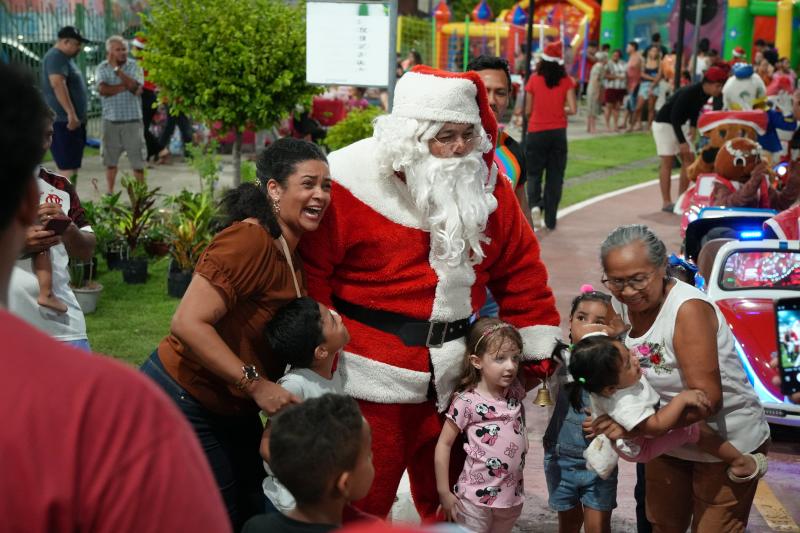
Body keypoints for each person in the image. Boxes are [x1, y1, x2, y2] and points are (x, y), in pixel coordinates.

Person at [298, 65, 562, 521]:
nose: (460, 148)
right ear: (409, 135)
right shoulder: (345, 179)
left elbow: (521, 270)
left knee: (461, 506)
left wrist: (533, 351)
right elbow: (313, 276)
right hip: (367, 374)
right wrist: (319, 362)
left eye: (467, 133)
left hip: (459, 375)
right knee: (359, 506)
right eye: (445, 135)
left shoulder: (486, 185)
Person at [0, 61, 231, 533]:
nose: (48, 140)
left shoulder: (60, 188)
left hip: (61, 330)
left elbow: (88, 246)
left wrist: (63, 234)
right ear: (25, 201)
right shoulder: (109, 412)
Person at [140, 138, 331, 530]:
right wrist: (258, 386)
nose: (320, 195)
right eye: (309, 183)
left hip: (233, 408)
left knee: (255, 509)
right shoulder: (250, 240)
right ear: (274, 189)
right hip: (185, 398)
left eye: (326, 186)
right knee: (217, 516)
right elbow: (187, 323)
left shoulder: (290, 251)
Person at [593, 224, 770, 532]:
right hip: (667, 443)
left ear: (663, 267)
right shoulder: (622, 302)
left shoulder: (687, 310)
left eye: (638, 279)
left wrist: (642, 426)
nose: (629, 291)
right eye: (617, 281)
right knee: (663, 524)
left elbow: (707, 401)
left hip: (726, 443)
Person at [570, 335, 767, 482]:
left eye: (629, 353)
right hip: (641, 447)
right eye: (628, 365)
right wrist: (680, 400)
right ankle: (740, 463)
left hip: (632, 438)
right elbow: (655, 427)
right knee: (695, 429)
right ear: (611, 388)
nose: (635, 360)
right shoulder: (626, 403)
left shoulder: (596, 378)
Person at [435, 318, 541, 533]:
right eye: (500, 358)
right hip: (475, 501)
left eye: (515, 358)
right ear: (476, 361)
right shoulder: (467, 402)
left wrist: (524, 437)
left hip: (511, 498)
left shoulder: (514, 392)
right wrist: (443, 492)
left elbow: (519, 409)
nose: (510, 366)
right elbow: (443, 445)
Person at [10, 110, 96, 350]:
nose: (42, 144)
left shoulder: (59, 186)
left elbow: (86, 251)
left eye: (47, 135)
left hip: (64, 331)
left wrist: (69, 230)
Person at [260, 296, 350, 513]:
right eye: (331, 320)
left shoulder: (333, 374)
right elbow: (267, 445)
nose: (338, 317)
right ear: (320, 352)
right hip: (290, 506)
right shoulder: (295, 386)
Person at [543, 290, 619, 533]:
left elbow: (631, 406)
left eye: (598, 321)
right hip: (560, 456)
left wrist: (608, 421)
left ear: (613, 328)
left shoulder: (618, 364)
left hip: (600, 459)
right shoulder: (559, 358)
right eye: (581, 318)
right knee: (569, 525)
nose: (588, 326)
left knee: (598, 527)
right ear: (570, 322)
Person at [243, 395, 375, 533]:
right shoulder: (372, 529)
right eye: (367, 456)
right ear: (344, 483)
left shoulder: (256, 526)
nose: (372, 456)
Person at [467, 55, 532, 227]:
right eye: (483, 91)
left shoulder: (513, 151)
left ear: (509, 96)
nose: (492, 101)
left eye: (500, 93)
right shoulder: (445, 146)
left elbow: (523, 217)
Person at [651, 66, 727, 211]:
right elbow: (674, 115)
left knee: (689, 159)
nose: (719, 89)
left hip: (680, 124)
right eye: (718, 85)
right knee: (667, 160)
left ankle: (681, 199)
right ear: (708, 83)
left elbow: (694, 109)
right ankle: (666, 202)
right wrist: (682, 142)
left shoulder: (705, 93)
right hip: (664, 123)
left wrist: (693, 126)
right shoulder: (689, 91)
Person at [524, 41, 578, 230]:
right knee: (555, 175)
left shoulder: (533, 79)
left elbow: (528, 109)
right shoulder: (567, 81)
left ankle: (535, 205)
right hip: (558, 134)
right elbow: (573, 109)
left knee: (533, 174)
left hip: (536, 132)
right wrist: (559, 109)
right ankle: (551, 218)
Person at [96, 35, 146, 193]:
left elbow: (137, 89)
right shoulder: (102, 68)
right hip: (110, 121)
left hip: (132, 121)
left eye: (124, 49)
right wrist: (127, 85)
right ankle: (110, 193)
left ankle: (141, 197)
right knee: (110, 162)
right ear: (109, 52)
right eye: (118, 49)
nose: (123, 52)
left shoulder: (135, 66)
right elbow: (103, 90)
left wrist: (117, 71)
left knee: (138, 162)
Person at [40, 26, 89, 180]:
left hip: (69, 121)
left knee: (71, 167)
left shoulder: (64, 58)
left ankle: (70, 202)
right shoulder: (56, 56)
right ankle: (66, 203)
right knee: (66, 169)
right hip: (64, 121)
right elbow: (57, 84)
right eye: (77, 44)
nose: (79, 48)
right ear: (66, 41)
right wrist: (71, 114)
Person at [131, 36, 161, 163]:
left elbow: (139, 82)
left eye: (134, 47)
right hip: (151, 96)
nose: (132, 49)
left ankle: (159, 150)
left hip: (146, 95)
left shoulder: (140, 63)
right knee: (144, 127)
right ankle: (152, 153)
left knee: (141, 128)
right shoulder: (148, 60)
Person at [637, 46, 663, 130]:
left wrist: (653, 84)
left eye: (656, 51)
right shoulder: (644, 61)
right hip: (644, 84)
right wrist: (652, 78)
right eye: (652, 51)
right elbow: (641, 74)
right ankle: (639, 124)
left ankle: (649, 126)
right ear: (649, 52)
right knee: (639, 106)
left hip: (655, 86)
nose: (654, 53)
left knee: (651, 108)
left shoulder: (660, 63)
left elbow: (659, 76)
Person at [602, 50, 627, 132]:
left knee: (617, 107)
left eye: (617, 55)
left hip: (620, 88)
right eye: (614, 55)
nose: (615, 57)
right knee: (608, 106)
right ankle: (607, 125)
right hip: (611, 87)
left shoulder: (623, 63)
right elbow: (605, 75)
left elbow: (626, 74)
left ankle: (615, 125)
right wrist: (616, 77)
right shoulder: (608, 64)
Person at [586, 52, 608, 134]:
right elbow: (596, 80)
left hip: (591, 88)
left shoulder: (596, 66)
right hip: (594, 89)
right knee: (593, 108)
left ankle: (589, 127)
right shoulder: (600, 66)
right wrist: (598, 91)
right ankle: (592, 128)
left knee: (590, 107)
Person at [625, 41, 643, 131]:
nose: (626, 48)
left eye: (628, 47)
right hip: (630, 84)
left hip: (635, 84)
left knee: (634, 105)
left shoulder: (637, 57)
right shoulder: (631, 57)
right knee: (632, 105)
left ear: (633, 47)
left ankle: (633, 124)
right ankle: (637, 123)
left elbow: (639, 71)